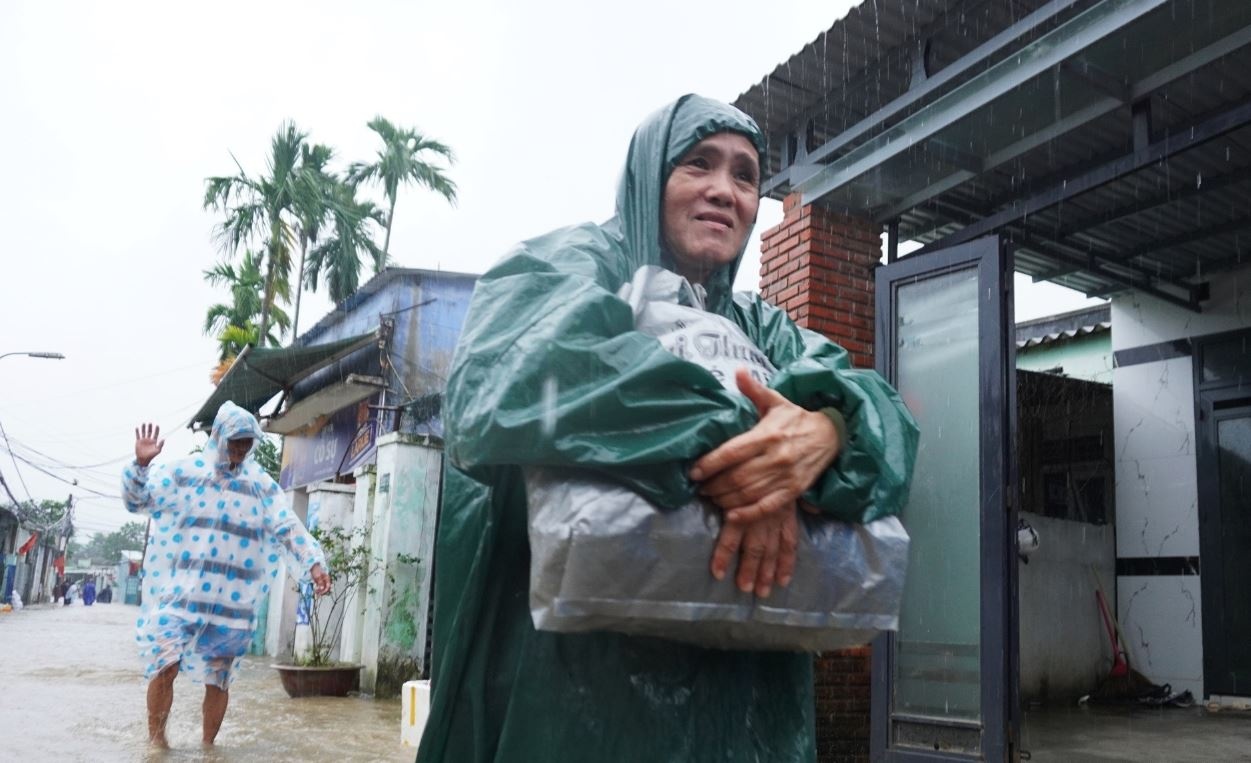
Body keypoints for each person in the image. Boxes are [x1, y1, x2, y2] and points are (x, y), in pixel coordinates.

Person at [418, 95, 918, 762]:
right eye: (698, 164)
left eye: (744, 175)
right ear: (649, 177)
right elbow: (513, 383)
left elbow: (880, 416)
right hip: (575, 707)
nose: (723, 190)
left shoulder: (760, 328)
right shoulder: (575, 265)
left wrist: (826, 430)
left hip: (751, 721)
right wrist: (755, 449)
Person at [121, 400, 331, 748]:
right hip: (181, 597)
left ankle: (208, 748)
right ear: (218, 435)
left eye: (247, 441)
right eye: (234, 439)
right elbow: (138, 501)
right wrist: (140, 467)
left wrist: (313, 563)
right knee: (165, 664)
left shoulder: (260, 486)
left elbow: (286, 525)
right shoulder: (185, 473)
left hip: (231, 605)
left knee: (219, 679)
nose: (240, 447)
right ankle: (157, 744)